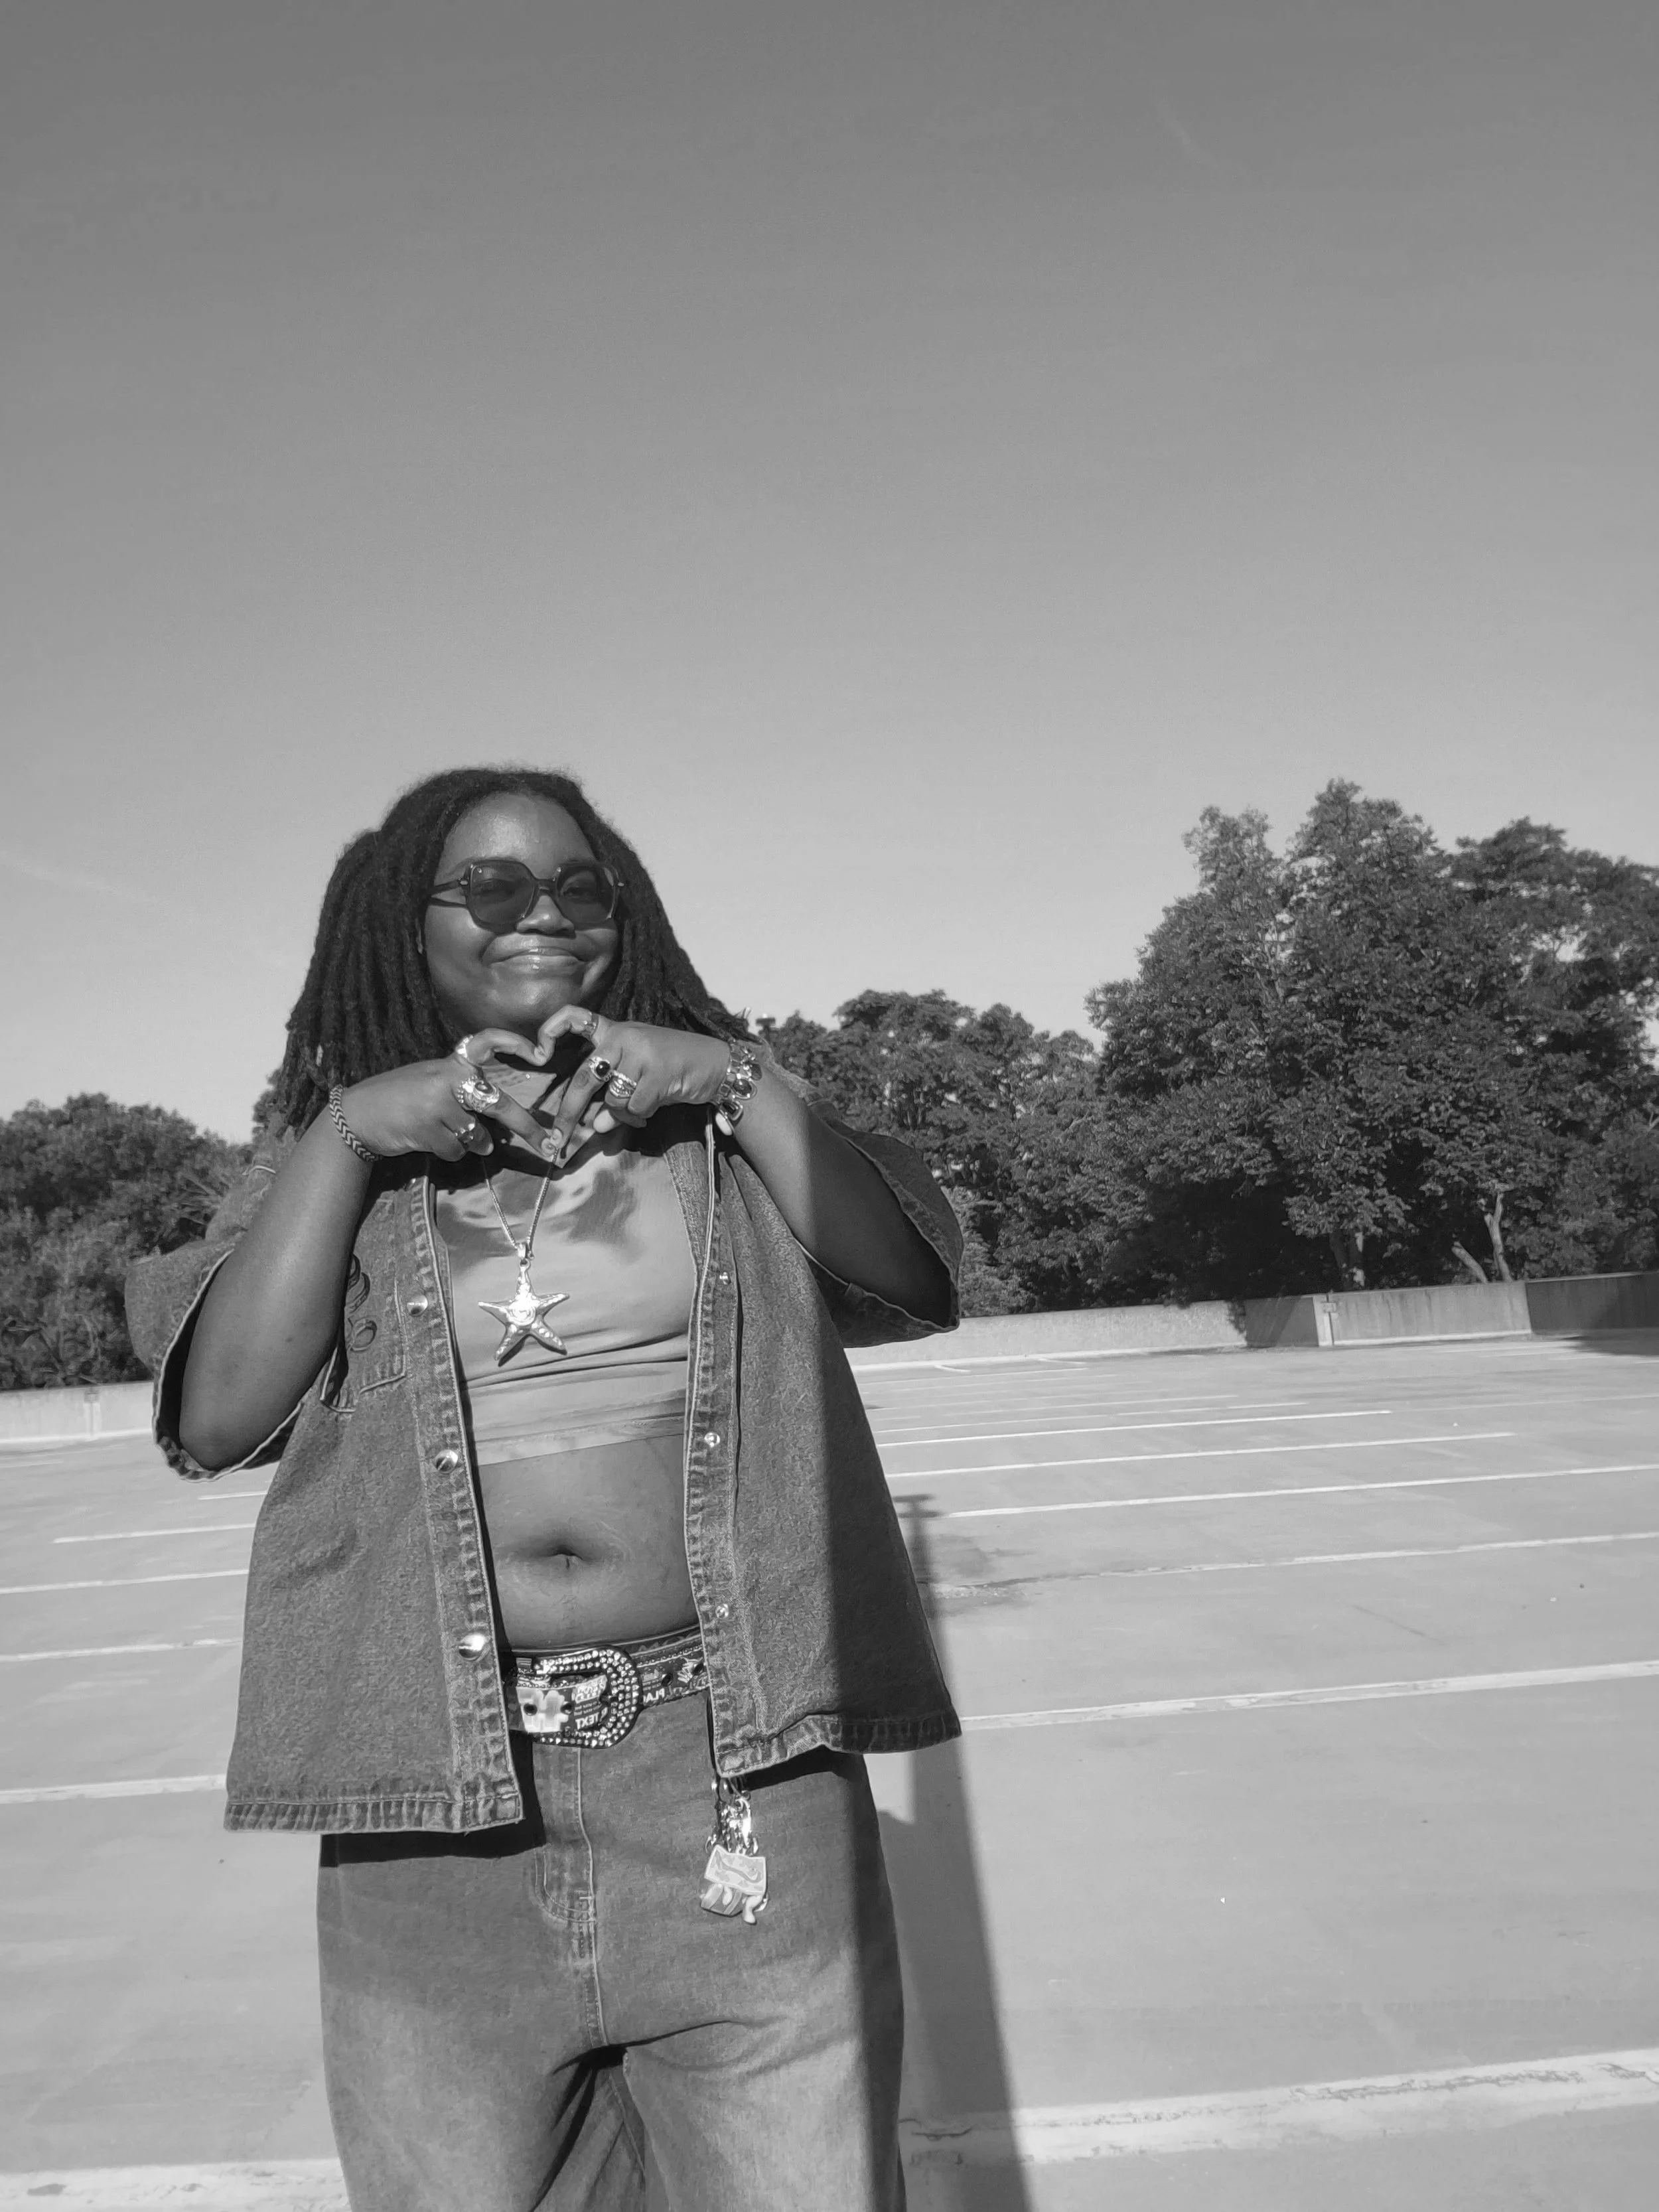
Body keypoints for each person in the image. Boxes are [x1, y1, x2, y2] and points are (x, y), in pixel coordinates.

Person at [125, 765, 962, 2212]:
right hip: (436, 1811)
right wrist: (351, 1135)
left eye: (580, 886)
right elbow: (217, 1416)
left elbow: (914, 1271)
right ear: (410, 923)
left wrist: (730, 1077)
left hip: (737, 1774)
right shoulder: (341, 1153)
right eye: (494, 886)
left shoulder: (716, 1130)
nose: (543, 912)